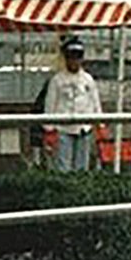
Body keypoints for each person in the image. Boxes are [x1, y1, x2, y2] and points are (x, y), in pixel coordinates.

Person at [42, 36, 102, 172]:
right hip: (63, 129)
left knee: (82, 168)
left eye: (77, 57)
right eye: (71, 57)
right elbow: (50, 104)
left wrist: (100, 124)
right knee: (63, 168)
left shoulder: (88, 79)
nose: (74, 61)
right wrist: (49, 129)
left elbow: (94, 102)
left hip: (84, 129)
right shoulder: (57, 80)